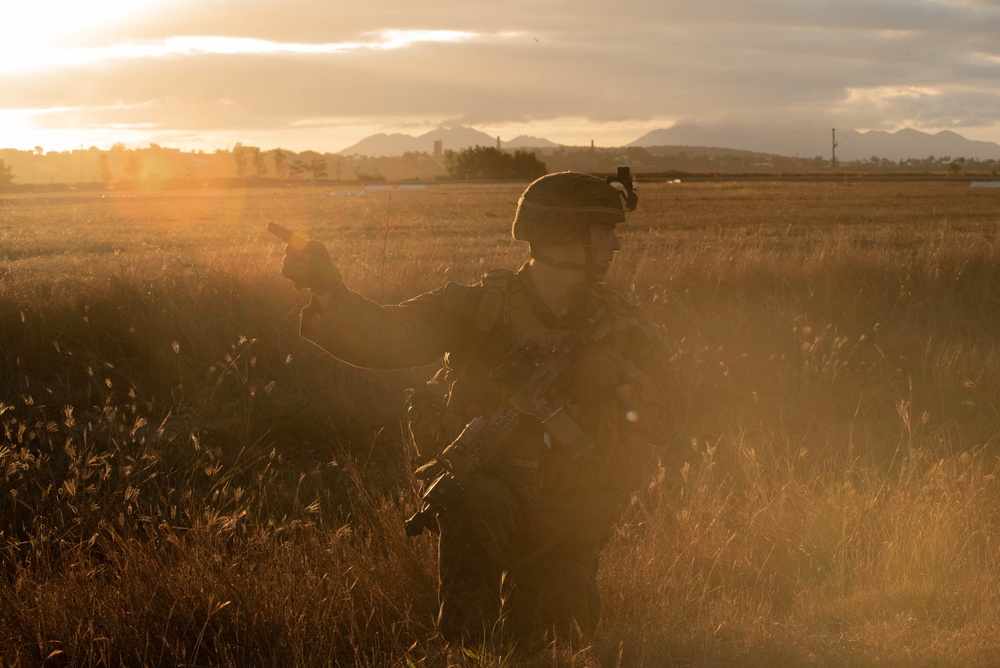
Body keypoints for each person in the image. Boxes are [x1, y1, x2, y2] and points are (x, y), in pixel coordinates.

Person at [278, 170, 679, 646]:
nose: (616, 245)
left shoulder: (620, 323)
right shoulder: (475, 309)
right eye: (605, 232)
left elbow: (676, 411)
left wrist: (621, 376)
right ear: (566, 237)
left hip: (575, 512)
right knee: (472, 645)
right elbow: (384, 337)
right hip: (486, 506)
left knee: (559, 642)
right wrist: (327, 288)